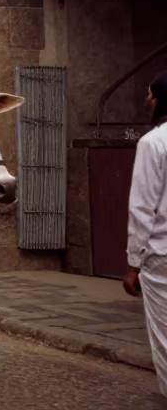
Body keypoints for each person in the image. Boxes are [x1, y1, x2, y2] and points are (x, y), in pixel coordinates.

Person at [126, 70, 167, 396]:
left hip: (160, 256)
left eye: (151, 95)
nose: (147, 100)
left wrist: (132, 263)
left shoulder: (153, 142)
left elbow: (142, 208)